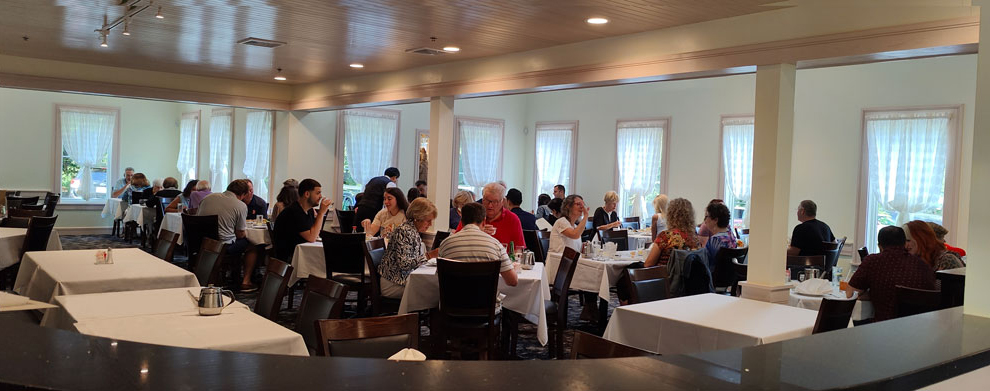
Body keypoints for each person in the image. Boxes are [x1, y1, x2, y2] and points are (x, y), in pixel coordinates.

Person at [847, 226, 936, 322]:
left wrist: (872, 293)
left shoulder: (873, 261)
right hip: (921, 327)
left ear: (879, 246)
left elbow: (850, 293)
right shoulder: (923, 265)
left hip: (884, 326)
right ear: (904, 244)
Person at [196, 179, 259, 292]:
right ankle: (246, 281)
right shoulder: (240, 205)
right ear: (243, 194)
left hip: (202, 243)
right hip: (223, 246)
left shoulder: (207, 198)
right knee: (252, 244)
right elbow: (240, 234)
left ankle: (231, 275)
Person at [439, 202, 518, 287]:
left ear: (461, 221)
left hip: (452, 299)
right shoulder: (495, 245)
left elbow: (440, 277)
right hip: (485, 299)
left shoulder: (446, 244)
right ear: (484, 221)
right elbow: (512, 281)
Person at [377, 198, 439, 299]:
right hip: (394, 283)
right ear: (417, 218)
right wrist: (430, 255)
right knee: (434, 293)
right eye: (428, 221)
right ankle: (417, 314)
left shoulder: (412, 230)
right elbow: (404, 264)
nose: (430, 224)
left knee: (434, 289)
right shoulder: (404, 232)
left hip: (401, 280)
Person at [273, 179, 332, 262]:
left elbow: (315, 233)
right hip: (289, 258)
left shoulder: (309, 211)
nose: (321, 196)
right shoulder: (294, 212)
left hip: (302, 254)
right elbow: (311, 237)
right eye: (318, 193)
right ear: (307, 194)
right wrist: (321, 213)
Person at [456, 182, 526, 248]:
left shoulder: (512, 219)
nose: (490, 205)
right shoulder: (471, 215)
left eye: (495, 202)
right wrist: (477, 232)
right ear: (482, 200)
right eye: (487, 200)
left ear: (502, 202)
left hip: (502, 259)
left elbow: (519, 249)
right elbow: (457, 240)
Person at [644, 198, 701, 268]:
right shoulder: (695, 238)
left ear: (670, 215)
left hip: (667, 276)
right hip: (689, 277)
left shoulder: (665, 237)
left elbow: (648, 264)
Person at [353, 167, 400, 232]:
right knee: (371, 236)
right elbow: (391, 199)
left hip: (361, 208)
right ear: (394, 177)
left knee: (358, 235)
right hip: (373, 210)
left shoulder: (373, 179)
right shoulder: (390, 183)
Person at [702, 202, 737, 270]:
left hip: (714, 278)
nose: (704, 221)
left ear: (715, 220)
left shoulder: (714, 240)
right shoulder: (731, 235)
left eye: (706, 217)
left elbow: (704, 265)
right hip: (729, 278)